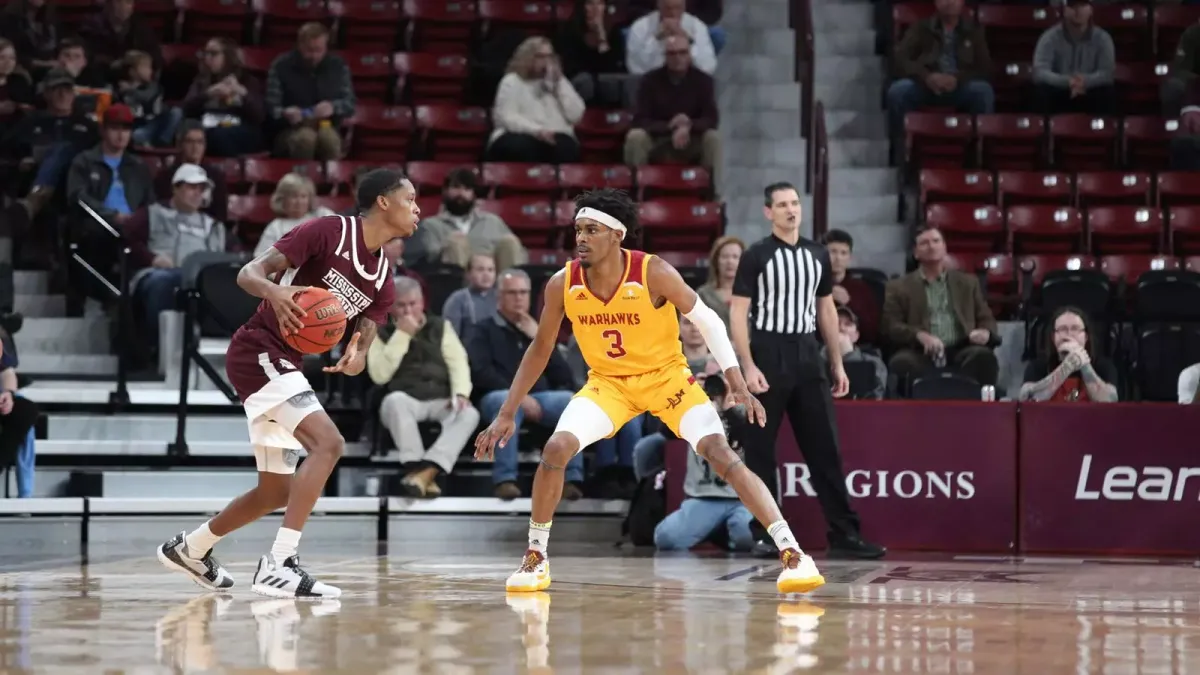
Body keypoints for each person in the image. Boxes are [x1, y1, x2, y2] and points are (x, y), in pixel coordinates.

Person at [474, 188, 824, 595]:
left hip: (667, 379)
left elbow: (708, 320)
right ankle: (535, 557)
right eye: (578, 230)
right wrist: (507, 412)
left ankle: (793, 552)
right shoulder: (561, 283)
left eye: (592, 230)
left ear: (617, 236)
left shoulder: (651, 271)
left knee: (721, 453)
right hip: (608, 385)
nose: (581, 239)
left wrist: (737, 381)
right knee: (556, 449)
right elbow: (541, 347)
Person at [155, 168, 417, 599]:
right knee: (329, 444)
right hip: (260, 348)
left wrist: (358, 357)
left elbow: (367, 331)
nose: (417, 208)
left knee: (273, 490)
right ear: (384, 202)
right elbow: (248, 273)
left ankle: (190, 549)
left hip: (285, 360)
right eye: (410, 198)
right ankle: (281, 563)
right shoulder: (328, 231)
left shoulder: (383, 275)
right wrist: (275, 294)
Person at [729, 182, 884, 560]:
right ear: (769, 212)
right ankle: (768, 535)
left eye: (795, 203)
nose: (790, 210)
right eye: (782, 205)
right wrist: (747, 366)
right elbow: (737, 312)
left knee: (825, 449)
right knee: (761, 450)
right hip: (767, 350)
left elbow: (826, 309)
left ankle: (844, 533)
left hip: (806, 352)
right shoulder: (756, 256)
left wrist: (835, 361)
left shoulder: (817, 254)